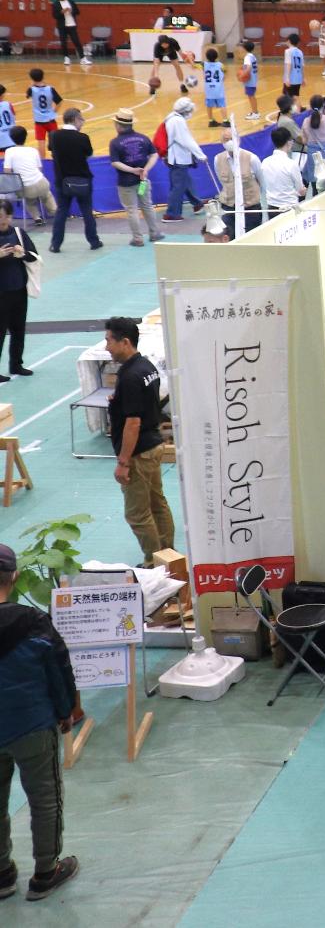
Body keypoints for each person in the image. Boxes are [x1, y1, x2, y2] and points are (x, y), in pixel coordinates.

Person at [0, 542, 83, 903]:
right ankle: (45, 873)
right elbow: (58, 669)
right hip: (33, 724)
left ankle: (2, 874)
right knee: (45, 799)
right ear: (15, 577)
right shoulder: (34, 622)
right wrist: (66, 712)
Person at [101, 316, 171, 561]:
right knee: (157, 504)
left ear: (125, 342)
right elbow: (147, 403)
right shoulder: (147, 368)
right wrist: (117, 402)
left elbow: (133, 422)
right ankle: (169, 556)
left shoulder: (130, 375)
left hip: (139, 452)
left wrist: (123, 462)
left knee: (137, 514)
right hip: (153, 445)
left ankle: (155, 563)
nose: (106, 346)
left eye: (109, 340)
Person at [107, 109, 165, 246]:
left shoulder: (115, 143)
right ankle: (154, 233)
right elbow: (154, 155)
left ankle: (138, 238)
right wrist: (145, 170)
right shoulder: (143, 138)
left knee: (132, 209)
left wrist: (132, 170)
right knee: (147, 205)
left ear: (119, 125)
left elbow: (115, 162)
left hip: (126, 183)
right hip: (142, 180)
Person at [46, 108, 99, 252]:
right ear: (75, 119)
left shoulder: (54, 135)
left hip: (62, 180)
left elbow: (51, 150)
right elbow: (88, 154)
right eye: (81, 119)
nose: (82, 122)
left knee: (61, 212)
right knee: (87, 211)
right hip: (82, 179)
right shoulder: (83, 137)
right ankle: (94, 241)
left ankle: (55, 244)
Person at [0, 205, 35, 381]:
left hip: (19, 290)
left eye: (2, 216)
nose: (0, 220)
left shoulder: (19, 234)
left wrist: (22, 254)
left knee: (18, 330)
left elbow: (33, 256)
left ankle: (16, 364)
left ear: (10, 217)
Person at [161, 97, 206, 220]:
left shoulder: (171, 117)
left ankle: (197, 204)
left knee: (185, 180)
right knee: (178, 186)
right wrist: (200, 155)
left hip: (174, 157)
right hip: (178, 158)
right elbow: (187, 140)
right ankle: (171, 214)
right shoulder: (178, 121)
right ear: (186, 111)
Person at [212, 133, 264, 235]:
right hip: (229, 208)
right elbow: (221, 180)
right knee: (229, 238)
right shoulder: (218, 159)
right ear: (222, 142)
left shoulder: (252, 158)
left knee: (251, 237)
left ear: (238, 140)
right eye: (226, 139)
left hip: (250, 207)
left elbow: (261, 181)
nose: (229, 142)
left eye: (232, 139)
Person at [2, 127, 52, 227]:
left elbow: (7, 171)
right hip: (42, 183)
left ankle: (37, 217)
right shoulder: (33, 150)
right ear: (26, 136)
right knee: (46, 195)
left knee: (26, 197)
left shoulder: (9, 151)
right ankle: (55, 211)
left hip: (26, 189)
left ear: (11, 138)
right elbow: (40, 169)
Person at [259, 127, 305, 216]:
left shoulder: (265, 162)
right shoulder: (291, 164)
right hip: (290, 208)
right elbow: (300, 189)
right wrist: (302, 191)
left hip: (272, 208)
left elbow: (263, 184)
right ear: (289, 142)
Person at [50, 0, 82, 67]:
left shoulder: (71, 2)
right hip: (62, 26)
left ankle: (83, 58)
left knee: (76, 41)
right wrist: (61, 12)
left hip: (72, 25)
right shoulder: (55, 4)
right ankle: (66, 58)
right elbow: (54, 16)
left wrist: (72, 11)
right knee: (63, 42)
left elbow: (77, 12)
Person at [200, 48, 228, 126]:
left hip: (209, 90)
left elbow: (193, 66)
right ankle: (225, 121)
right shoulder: (221, 65)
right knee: (222, 105)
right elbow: (225, 74)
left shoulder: (203, 64)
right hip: (218, 89)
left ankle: (211, 121)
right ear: (217, 56)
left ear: (206, 57)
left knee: (209, 105)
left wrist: (189, 59)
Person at [237, 39, 261, 117]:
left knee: (251, 96)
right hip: (253, 79)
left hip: (250, 80)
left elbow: (249, 68)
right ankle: (254, 111)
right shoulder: (252, 56)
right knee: (251, 96)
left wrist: (243, 75)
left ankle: (255, 113)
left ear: (244, 48)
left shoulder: (247, 57)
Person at [282, 33, 305, 98]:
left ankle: (295, 108)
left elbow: (289, 64)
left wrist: (287, 78)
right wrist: (303, 78)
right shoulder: (300, 52)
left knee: (287, 97)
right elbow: (302, 66)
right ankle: (298, 108)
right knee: (295, 96)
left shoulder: (288, 51)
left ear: (289, 41)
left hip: (291, 79)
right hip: (298, 78)